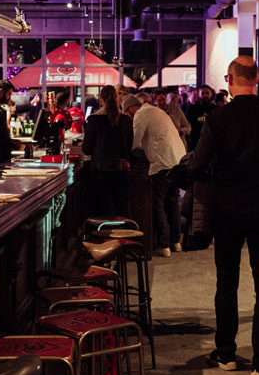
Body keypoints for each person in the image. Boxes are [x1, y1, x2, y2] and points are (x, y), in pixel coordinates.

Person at [188, 56, 259, 375]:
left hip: (227, 210)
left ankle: (226, 353)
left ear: (231, 79)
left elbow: (198, 164)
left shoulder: (219, 117)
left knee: (227, 281)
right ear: (257, 79)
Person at [124, 93, 185, 257]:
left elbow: (134, 142)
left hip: (163, 163)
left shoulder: (141, 114)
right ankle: (176, 241)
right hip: (177, 159)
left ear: (131, 109)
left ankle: (164, 245)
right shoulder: (156, 111)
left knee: (156, 202)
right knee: (172, 201)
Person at [82, 85, 133, 216]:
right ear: (117, 99)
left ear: (101, 100)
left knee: (102, 211)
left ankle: (104, 235)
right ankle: (122, 235)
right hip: (121, 171)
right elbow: (129, 147)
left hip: (100, 172)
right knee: (121, 210)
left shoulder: (93, 120)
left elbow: (86, 149)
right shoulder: (126, 120)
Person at [186, 85, 214, 149]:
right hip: (196, 143)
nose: (205, 95)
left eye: (207, 93)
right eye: (202, 93)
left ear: (211, 94)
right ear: (199, 95)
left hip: (212, 143)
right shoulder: (192, 109)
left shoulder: (215, 109)